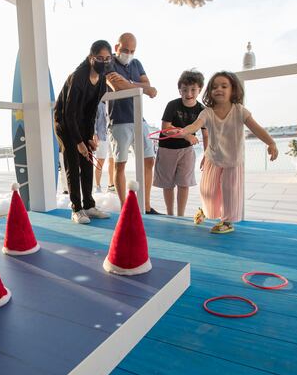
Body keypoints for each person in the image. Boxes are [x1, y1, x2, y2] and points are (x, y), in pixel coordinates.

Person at [178, 71, 278, 234]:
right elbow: (196, 125)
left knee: (230, 192)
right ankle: (206, 210)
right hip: (213, 157)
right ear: (209, 91)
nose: (219, 89)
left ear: (233, 89)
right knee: (208, 190)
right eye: (215, 87)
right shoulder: (207, 112)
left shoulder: (239, 110)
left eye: (224, 86)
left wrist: (271, 143)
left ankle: (227, 222)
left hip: (233, 160)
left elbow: (256, 128)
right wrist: (184, 131)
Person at [54, 40, 113, 224]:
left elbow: (92, 111)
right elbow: (69, 114)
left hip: (81, 122)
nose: (103, 62)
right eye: (99, 58)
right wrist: (79, 143)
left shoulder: (101, 78)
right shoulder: (78, 77)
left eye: (107, 58)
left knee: (87, 161)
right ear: (91, 58)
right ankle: (76, 209)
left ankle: (89, 205)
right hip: (65, 123)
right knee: (73, 163)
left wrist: (89, 137)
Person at [104, 33, 160, 214]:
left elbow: (150, 88)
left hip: (139, 119)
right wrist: (142, 87)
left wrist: (130, 83)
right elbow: (116, 86)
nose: (128, 53)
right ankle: (124, 208)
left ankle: (146, 205)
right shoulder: (108, 62)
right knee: (120, 164)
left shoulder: (136, 63)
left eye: (132, 50)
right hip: (118, 120)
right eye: (125, 50)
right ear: (116, 47)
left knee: (149, 160)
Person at [153, 70, 208, 216]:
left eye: (193, 90)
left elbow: (206, 133)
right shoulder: (172, 105)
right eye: (184, 90)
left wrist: (207, 154)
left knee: (184, 184)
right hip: (167, 149)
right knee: (168, 184)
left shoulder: (202, 109)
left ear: (200, 90)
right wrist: (186, 135)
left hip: (187, 151)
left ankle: (181, 215)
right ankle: (170, 214)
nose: (188, 93)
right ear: (179, 90)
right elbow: (165, 129)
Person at [93, 100, 110, 192]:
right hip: (101, 136)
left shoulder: (110, 103)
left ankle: (111, 185)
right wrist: (94, 133)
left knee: (112, 160)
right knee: (100, 160)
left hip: (111, 135)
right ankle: (98, 186)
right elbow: (94, 120)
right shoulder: (98, 104)